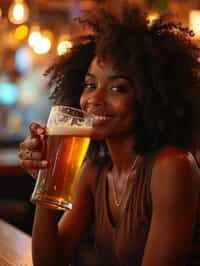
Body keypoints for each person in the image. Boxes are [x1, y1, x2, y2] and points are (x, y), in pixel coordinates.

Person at [18, 3, 200, 266]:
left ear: (152, 96)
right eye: (90, 84)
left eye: (118, 88)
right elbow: (50, 262)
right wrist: (47, 176)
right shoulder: (96, 171)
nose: (94, 98)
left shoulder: (172, 166)